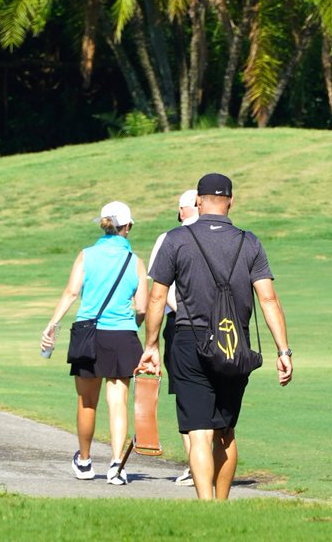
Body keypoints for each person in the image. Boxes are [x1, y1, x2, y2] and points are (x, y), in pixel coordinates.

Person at [138, 172, 293, 500]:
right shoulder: (249, 241)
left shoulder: (176, 240)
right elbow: (268, 299)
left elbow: (156, 297)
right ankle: (221, 505)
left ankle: (206, 507)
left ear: (198, 201)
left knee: (199, 432)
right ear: (231, 201)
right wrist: (284, 351)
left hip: (188, 340)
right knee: (225, 432)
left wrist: (151, 345)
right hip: (234, 344)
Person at [40, 201, 148, 486]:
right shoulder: (135, 261)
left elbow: (71, 292)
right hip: (123, 336)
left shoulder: (86, 255)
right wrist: (129, 328)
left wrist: (51, 325)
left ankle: (86, 461)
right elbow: (142, 308)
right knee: (118, 402)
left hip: (89, 334)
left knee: (87, 402)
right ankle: (115, 465)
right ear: (127, 227)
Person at [147, 188, 199, 486]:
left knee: (186, 393)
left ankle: (195, 465)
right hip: (219, 324)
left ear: (182, 210)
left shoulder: (169, 238)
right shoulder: (221, 235)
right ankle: (208, 463)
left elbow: (160, 288)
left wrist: (184, 312)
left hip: (180, 324)